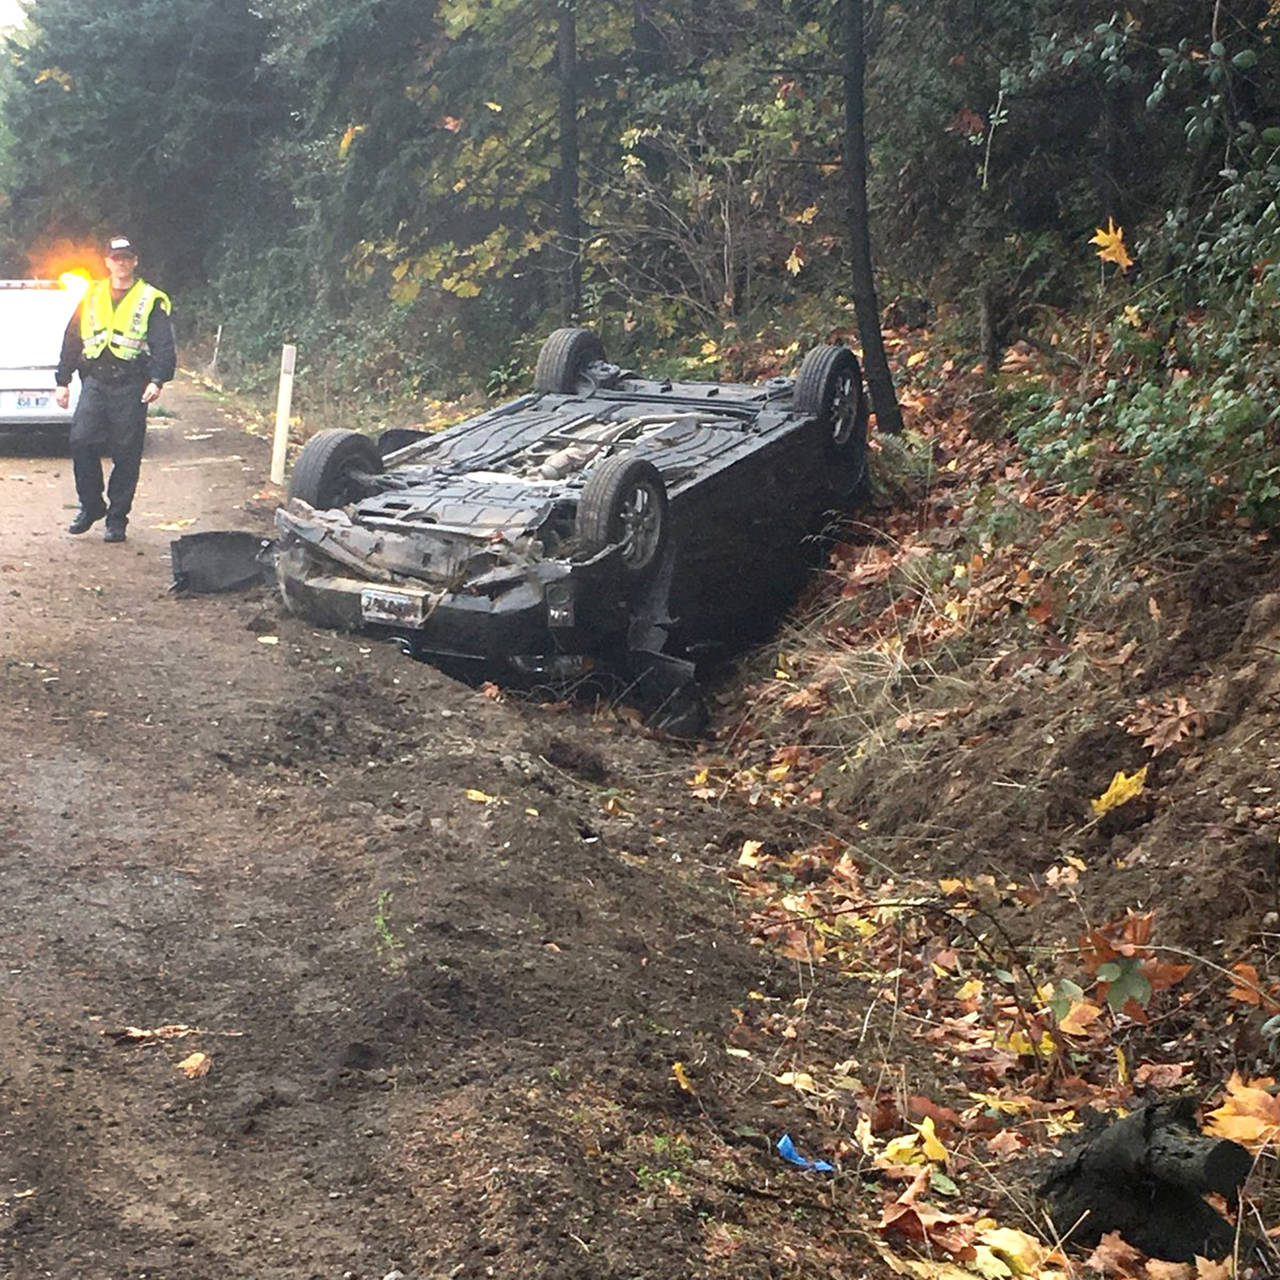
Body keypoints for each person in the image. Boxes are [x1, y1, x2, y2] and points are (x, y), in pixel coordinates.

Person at [55, 235, 176, 543]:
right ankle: (91, 505)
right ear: (107, 262)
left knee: (126, 453)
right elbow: (73, 338)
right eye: (116, 258)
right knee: (81, 441)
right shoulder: (92, 295)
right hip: (95, 381)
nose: (121, 263)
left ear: (134, 261)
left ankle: (117, 519)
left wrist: (157, 379)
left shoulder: (150, 298)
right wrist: (62, 380)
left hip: (131, 384)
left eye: (126, 258)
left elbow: (163, 343)